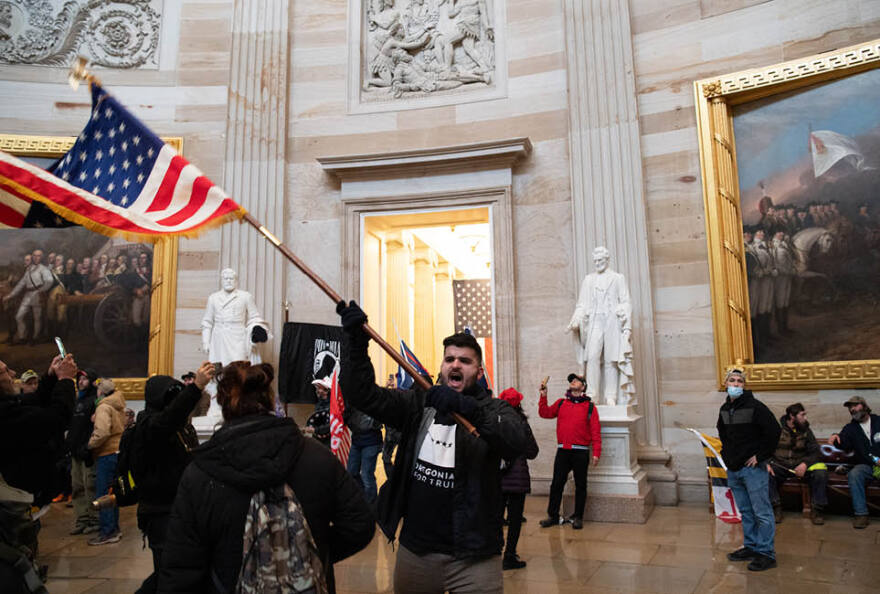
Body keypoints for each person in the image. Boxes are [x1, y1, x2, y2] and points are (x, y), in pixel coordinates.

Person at [337, 300, 536, 593]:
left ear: (479, 373)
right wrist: (355, 343)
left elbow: (523, 443)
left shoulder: (495, 409)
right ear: (442, 367)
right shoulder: (418, 405)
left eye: (465, 361)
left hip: (474, 557)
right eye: (450, 359)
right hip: (416, 552)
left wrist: (470, 409)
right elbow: (362, 395)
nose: (455, 364)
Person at [160, 361, 374, 592]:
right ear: (270, 400)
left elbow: (181, 565)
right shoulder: (316, 457)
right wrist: (314, 550)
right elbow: (359, 525)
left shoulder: (200, 472)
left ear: (222, 403)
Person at [133, 362, 213, 594]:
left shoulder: (179, 428)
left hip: (177, 508)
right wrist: (195, 386)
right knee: (167, 571)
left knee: (173, 569)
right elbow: (169, 419)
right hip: (160, 512)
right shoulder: (150, 426)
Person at [0, 354, 77, 592]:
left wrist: (51, 378)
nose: (13, 374)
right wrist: (65, 381)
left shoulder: (7, 407)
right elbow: (55, 418)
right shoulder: (5, 416)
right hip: (8, 508)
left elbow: (32, 401)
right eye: (5, 371)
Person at [717, 369, 780, 571]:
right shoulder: (725, 409)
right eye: (732, 380)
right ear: (725, 383)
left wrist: (761, 456)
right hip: (734, 468)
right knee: (745, 511)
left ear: (744, 385)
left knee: (762, 512)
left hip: (753, 469)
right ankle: (751, 546)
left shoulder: (755, 407)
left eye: (740, 381)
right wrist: (726, 455)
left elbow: (774, 431)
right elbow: (723, 433)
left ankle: (766, 553)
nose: (736, 384)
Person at [567, 246, 635, 405]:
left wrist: (624, 315)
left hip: (612, 321)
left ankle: (610, 395)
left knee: (611, 359)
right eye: (595, 261)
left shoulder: (618, 278)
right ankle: (592, 393)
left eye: (600, 260)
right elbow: (581, 304)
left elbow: (626, 301)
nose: (598, 263)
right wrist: (576, 319)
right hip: (594, 321)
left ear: (607, 260)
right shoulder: (589, 280)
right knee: (592, 357)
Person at [537, 373, 601, 530]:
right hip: (563, 451)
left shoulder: (590, 407)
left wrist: (596, 453)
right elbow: (544, 413)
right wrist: (543, 396)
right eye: (571, 380)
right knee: (556, 484)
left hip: (581, 452)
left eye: (576, 380)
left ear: (583, 386)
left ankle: (578, 517)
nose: (572, 381)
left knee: (581, 485)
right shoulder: (561, 403)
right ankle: (552, 516)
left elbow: (596, 432)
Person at [497, 387, 538, 570]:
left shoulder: (496, 422)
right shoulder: (522, 423)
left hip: (498, 478)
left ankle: (494, 552)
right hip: (518, 478)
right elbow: (532, 452)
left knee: (496, 517)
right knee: (514, 520)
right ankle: (510, 556)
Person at [768, 403, 828, 525]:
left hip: (801, 465)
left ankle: (817, 510)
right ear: (792, 416)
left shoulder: (806, 430)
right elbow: (765, 449)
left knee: (820, 473)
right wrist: (767, 463)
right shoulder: (776, 429)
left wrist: (805, 464)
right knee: (765, 474)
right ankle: (776, 509)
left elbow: (815, 451)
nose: (805, 418)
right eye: (802, 415)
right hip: (780, 465)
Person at [829, 396, 880, 529]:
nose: (852, 409)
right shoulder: (850, 428)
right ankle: (861, 514)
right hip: (867, 466)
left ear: (864, 405)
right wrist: (835, 437)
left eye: (855, 405)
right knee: (855, 474)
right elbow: (843, 443)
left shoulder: (878, 421)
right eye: (850, 407)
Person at [87, 378, 126, 545]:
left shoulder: (103, 406)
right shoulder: (118, 403)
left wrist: (89, 445)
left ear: (100, 392)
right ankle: (114, 528)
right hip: (117, 450)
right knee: (113, 492)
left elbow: (102, 432)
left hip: (106, 452)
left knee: (103, 493)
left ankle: (108, 531)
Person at [67, 368, 99, 535]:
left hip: (88, 452)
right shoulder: (76, 401)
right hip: (75, 451)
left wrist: (89, 446)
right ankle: (82, 519)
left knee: (90, 486)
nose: (81, 381)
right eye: (79, 378)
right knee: (77, 487)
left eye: (85, 379)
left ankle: (94, 519)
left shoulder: (95, 401)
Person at [2, 249, 54, 345]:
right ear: (32, 257)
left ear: (41, 257)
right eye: (34, 255)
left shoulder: (43, 269)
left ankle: (35, 338)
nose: (36, 257)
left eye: (38, 256)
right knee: (19, 316)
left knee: (37, 318)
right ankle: (22, 338)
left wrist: (41, 290)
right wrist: (10, 295)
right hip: (28, 295)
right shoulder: (29, 269)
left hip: (37, 295)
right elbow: (21, 284)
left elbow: (49, 281)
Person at [344, 403, 383, 504]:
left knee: (367, 475)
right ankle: (363, 497)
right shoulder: (351, 402)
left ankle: (371, 504)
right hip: (357, 440)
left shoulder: (372, 399)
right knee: (352, 471)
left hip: (371, 442)